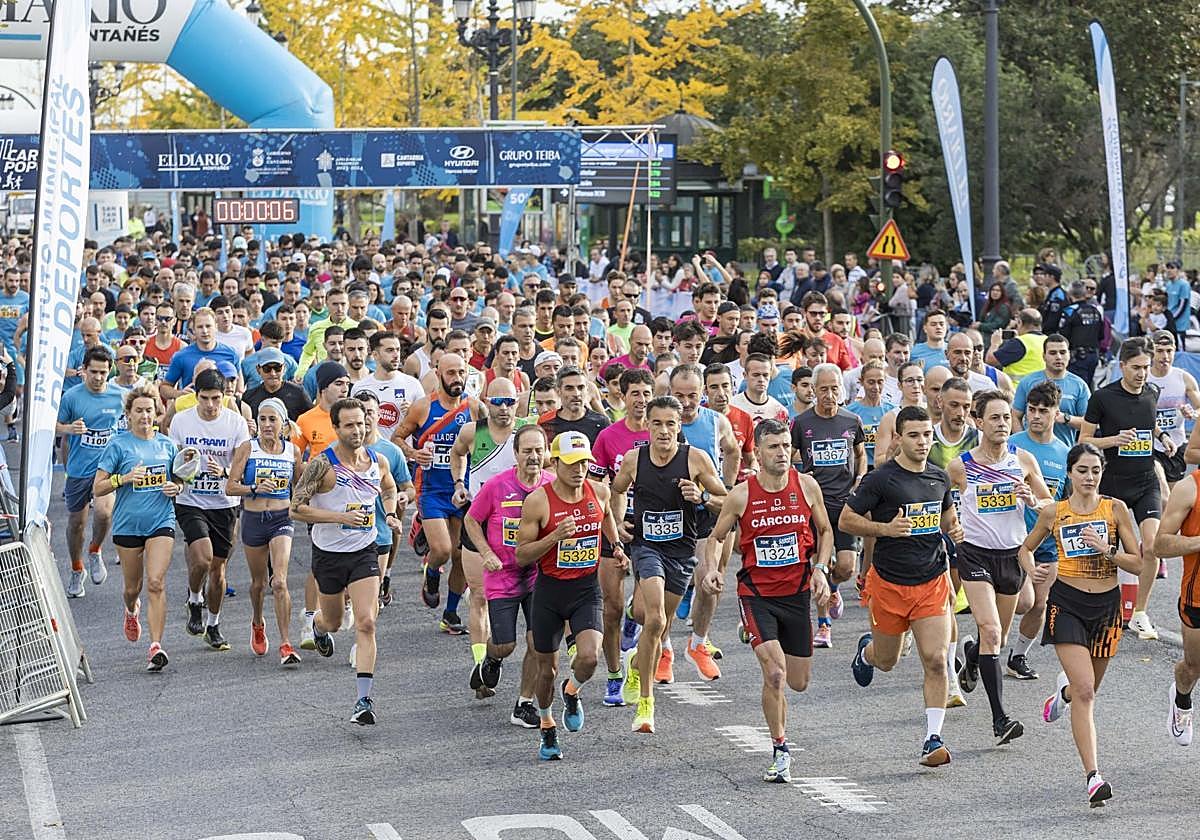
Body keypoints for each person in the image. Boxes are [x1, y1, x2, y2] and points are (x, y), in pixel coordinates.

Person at [706, 418, 833, 783]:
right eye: (773, 447)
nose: (782, 453)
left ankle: (754, 633)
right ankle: (780, 748)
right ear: (758, 453)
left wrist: (821, 569)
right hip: (756, 595)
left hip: (796, 595)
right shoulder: (742, 494)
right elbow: (716, 537)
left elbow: (824, 531)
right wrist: (712, 568)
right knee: (775, 674)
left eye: (785, 446)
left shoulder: (806, 486)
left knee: (798, 682)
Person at [841, 405, 964, 767]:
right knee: (887, 661)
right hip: (890, 584)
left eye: (927, 434)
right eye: (914, 435)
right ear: (898, 438)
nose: (923, 442)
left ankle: (932, 738)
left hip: (931, 580)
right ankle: (867, 652)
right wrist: (884, 529)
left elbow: (946, 517)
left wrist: (953, 529)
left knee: (937, 660)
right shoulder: (881, 480)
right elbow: (846, 520)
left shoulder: (939, 478)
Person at [1022, 443, 1141, 806]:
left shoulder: (1114, 509)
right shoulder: (1054, 513)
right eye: (1082, 470)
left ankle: (1063, 696)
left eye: (1095, 471)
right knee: (1086, 691)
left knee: (1085, 691)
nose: (1089, 477)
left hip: (1107, 606)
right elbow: (1024, 549)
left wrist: (1106, 549)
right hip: (1067, 603)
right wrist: (1031, 568)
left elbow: (1138, 563)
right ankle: (1094, 777)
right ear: (1070, 473)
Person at [611, 396, 727, 733]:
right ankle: (646, 705)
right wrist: (619, 523)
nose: (664, 431)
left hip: (682, 552)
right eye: (657, 423)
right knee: (657, 617)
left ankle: (636, 664)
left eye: (670, 424)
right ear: (647, 425)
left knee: (655, 623)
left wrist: (702, 497)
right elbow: (615, 491)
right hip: (646, 547)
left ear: (680, 427)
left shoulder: (696, 459)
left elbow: (727, 502)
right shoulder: (635, 459)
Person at [290, 397, 405, 725]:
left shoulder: (378, 461)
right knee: (335, 622)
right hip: (328, 555)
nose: (358, 430)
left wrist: (392, 512)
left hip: (365, 552)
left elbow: (388, 487)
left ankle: (363, 700)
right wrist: (338, 516)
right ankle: (318, 627)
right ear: (336, 428)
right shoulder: (322, 465)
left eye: (362, 423)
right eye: (350, 425)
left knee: (367, 622)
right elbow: (296, 509)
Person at [948, 390, 1051, 746]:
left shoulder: (1023, 461)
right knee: (992, 632)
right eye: (994, 418)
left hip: (1011, 556)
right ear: (978, 422)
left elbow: (1050, 505)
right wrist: (952, 527)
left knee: (998, 639)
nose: (1002, 424)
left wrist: (1033, 500)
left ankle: (972, 655)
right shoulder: (961, 466)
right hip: (975, 555)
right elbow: (939, 499)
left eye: (1006, 418)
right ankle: (1000, 719)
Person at [515, 431, 624, 761]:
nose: (580, 470)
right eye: (573, 463)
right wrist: (555, 537)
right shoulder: (539, 501)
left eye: (585, 463)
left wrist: (616, 547)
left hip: (585, 589)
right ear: (556, 462)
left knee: (590, 657)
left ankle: (572, 690)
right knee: (545, 670)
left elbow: (605, 518)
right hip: (548, 591)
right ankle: (547, 726)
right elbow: (521, 555)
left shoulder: (600, 492)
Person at [464, 424, 553, 727]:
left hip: (539, 577)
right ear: (515, 454)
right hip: (503, 574)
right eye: (527, 450)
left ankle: (523, 703)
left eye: (539, 450)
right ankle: (492, 657)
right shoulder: (497, 485)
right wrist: (486, 553)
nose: (533, 456)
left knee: (537, 642)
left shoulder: (552, 486)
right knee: (506, 644)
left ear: (547, 453)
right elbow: (472, 520)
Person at [93, 385, 184, 671]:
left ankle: (156, 645)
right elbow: (98, 487)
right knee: (133, 587)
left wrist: (177, 487)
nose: (145, 415)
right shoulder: (119, 445)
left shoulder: (167, 445)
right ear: (129, 415)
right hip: (128, 524)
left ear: (157, 412)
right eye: (139, 411)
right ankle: (131, 609)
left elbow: (182, 479)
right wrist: (124, 478)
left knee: (156, 582)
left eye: (149, 410)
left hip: (161, 521)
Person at [1080, 337, 1166, 640]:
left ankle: (1139, 613)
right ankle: (1101, 609)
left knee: (1152, 545)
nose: (1142, 373)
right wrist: (1113, 440)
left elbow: (1149, 422)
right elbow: (1084, 441)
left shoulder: (1152, 393)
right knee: (1111, 552)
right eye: (1136, 368)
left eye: (1146, 367)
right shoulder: (1103, 397)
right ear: (1122, 366)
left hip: (1145, 482)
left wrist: (1163, 437)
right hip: (1114, 483)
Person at [449, 376, 530, 692]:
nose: (504, 408)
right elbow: (457, 454)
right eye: (497, 401)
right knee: (480, 596)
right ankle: (481, 665)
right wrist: (459, 484)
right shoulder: (473, 431)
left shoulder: (527, 433)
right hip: (479, 521)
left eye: (510, 401)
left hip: (519, 525)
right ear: (486, 401)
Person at [392, 352, 482, 632]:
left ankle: (451, 613)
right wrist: (413, 452)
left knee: (460, 556)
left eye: (462, 372)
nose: (458, 378)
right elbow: (397, 436)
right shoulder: (422, 407)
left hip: (463, 491)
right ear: (438, 373)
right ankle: (431, 572)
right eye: (451, 373)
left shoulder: (474, 407)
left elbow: (490, 441)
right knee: (442, 550)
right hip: (431, 489)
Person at [169, 368, 251, 649]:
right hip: (190, 500)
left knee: (218, 571)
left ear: (225, 395)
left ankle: (214, 625)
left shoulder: (236, 423)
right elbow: (173, 463)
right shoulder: (181, 421)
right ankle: (194, 599)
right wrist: (183, 470)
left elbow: (241, 468)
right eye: (205, 398)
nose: (211, 405)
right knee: (202, 558)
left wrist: (225, 471)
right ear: (196, 396)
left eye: (216, 398)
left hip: (224, 503)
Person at [589, 368, 654, 706]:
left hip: (652, 528)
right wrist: (613, 522)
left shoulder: (663, 433)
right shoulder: (608, 436)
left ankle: (634, 619)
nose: (641, 401)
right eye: (635, 394)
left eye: (646, 393)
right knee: (610, 608)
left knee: (643, 611)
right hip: (613, 526)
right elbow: (596, 487)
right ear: (622, 396)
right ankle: (614, 676)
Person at [790, 363, 866, 648]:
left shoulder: (851, 420)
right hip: (813, 506)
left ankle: (834, 588)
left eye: (834, 389)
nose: (829, 395)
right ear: (813, 390)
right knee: (817, 566)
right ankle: (823, 625)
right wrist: (797, 479)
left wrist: (860, 477)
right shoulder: (801, 423)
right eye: (823, 389)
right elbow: (788, 455)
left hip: (844, 504)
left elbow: (860, 452)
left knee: (845, 567)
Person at [225, 398, 302, 664]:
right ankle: (257, 621)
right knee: (258, 584)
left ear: (283, 423)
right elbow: (230, 487)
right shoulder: (248, 448)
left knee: (279, 581)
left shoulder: (292, 451)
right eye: (262, 420)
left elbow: (301, 487)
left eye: (272, 419)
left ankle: (286, 643)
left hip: (281, 518)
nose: (267, 425)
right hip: (254, 519)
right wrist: (255, 488)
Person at [1008, 381, 1069, 679]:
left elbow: (1065, 501)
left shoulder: (1064, 453)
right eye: (1032, 410)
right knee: (1021, 602)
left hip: (1047, 541)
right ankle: (983, 645)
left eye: (1043, 411)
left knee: (1040, 604)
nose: (1035, 416)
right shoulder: (1012, 445)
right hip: (1013, 538)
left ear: (1056, 413)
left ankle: (1017, 656)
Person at [56, 346, 125, 597]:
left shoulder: (120, 396)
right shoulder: (72, 397)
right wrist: (68, 428)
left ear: (110, 372)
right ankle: (76, 569)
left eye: (103, 373)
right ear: (83, 370)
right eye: (93, 372)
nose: (97, 378)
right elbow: (54, 426)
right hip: (79, 468)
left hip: (107, 468)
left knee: (105, 513)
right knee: (77, 523)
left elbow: (142, 415)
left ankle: (95, 551)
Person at [358, 391, 414, 614]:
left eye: (370, 412)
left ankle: (362, 646)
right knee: (346, 603)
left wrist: (404, 496)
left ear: (379, 414)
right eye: (361, 412)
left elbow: (409, 488)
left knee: (369, 607)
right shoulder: (337, 450)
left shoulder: (391, 452)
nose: (365, 418)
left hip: (379, 532)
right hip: (347, 533)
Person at [1011, 334, 1091, 447]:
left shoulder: (1080, 385)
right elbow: (1015, 415)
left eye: (1062, 352)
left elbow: (1090, 424)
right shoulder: (1028, 382)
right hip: (1029, 452)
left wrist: (1067, 418)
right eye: (1052, 353)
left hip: (1063, 452)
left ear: (1069, 355)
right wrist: (1022, 443)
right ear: (1044, 356)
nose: (1058, 357)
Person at [1147, 330, 1200, 489]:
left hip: (1176, 445)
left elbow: (1199, 407)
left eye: (1169, 351)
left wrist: (1192, 413)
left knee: (1170, 499)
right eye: (1160, 351)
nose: (1165, 356)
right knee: (1161, 488)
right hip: (1151, 446)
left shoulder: (1184, 378)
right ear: (1152, 352)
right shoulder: (1143, 378)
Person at [351, 330, 425, 443]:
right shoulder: (360, 387)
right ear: (375, 355)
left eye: (398, 350)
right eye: (390, 350)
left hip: (403, 455)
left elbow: (424, 423)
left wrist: (413, 413)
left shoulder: (413, 384)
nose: (396, 355)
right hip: (370, 455)